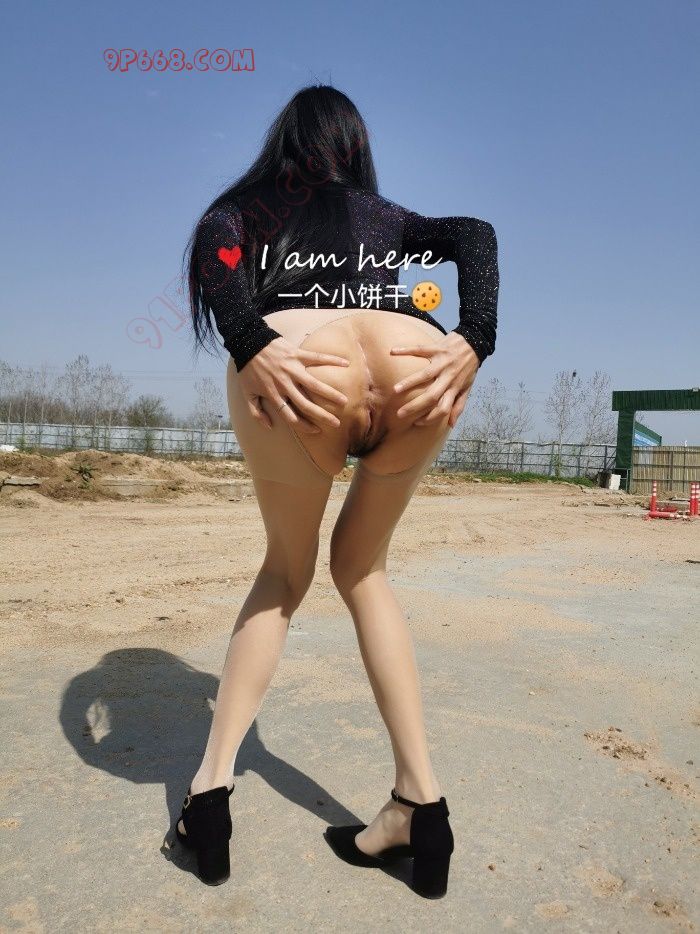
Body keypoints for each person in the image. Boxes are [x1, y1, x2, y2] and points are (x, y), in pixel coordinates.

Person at [178, 84, 499, 897]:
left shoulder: (254, 206)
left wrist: (248, 338)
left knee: (285, 573)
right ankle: (420, 804)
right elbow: (474, 233)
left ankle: (209, 795)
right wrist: (474, 336)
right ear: (356, 147)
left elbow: (215, 242)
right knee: (363, 568)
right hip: (411, 358)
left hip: (301, 362)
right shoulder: (384, 216)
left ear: (286, 146)